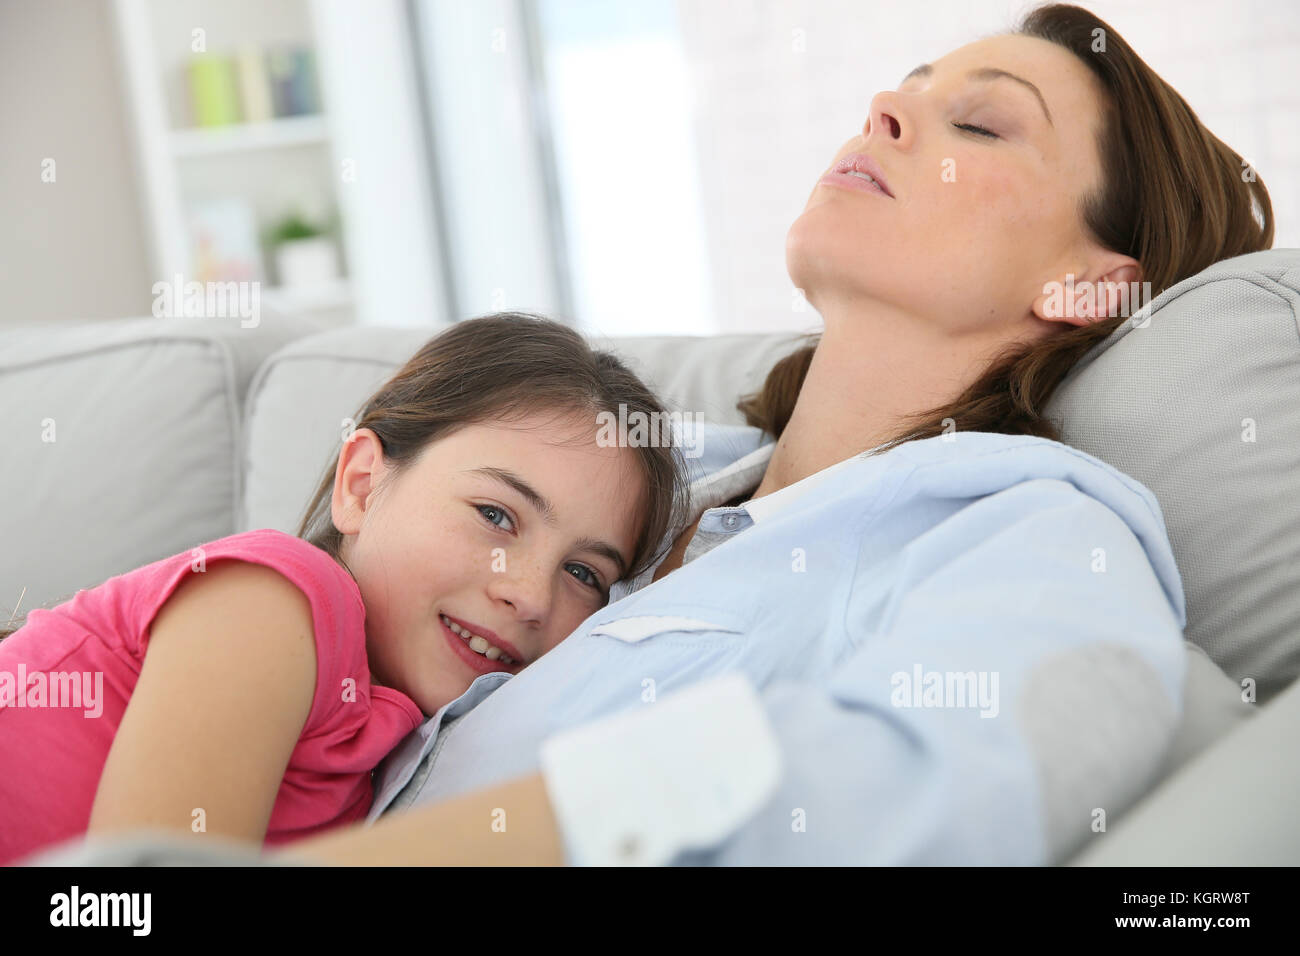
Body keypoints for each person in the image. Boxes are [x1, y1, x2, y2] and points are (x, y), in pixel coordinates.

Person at [18, 2, 1276, 867]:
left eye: (981, 122)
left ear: (1089, 286)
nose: (885, 113)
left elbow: (982, 755)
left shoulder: (1029, 520)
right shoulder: (637, 515)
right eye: (904, 91)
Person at [0, 314, 686, 866]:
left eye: (584, 574)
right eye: (496, 515)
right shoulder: (276, 601)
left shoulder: (402, 755)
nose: (531, 595)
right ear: (361, 485)